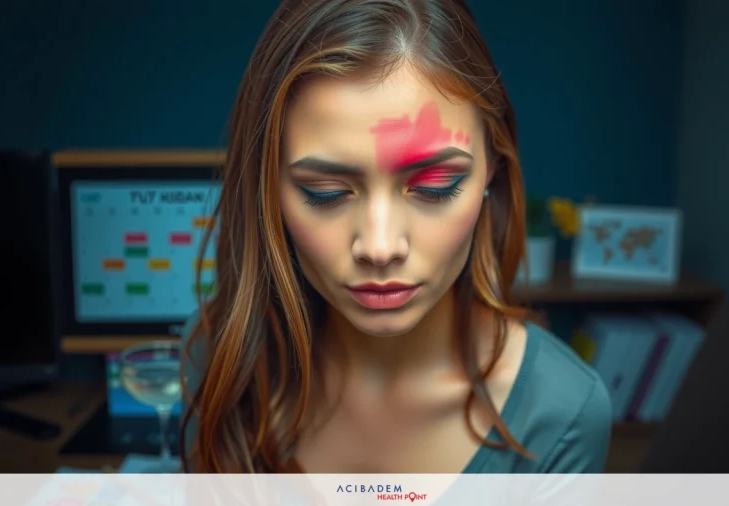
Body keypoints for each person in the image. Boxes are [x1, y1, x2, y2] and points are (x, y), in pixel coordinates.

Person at [180, 0, 612, 474]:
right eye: (324, 193)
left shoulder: (563, 415)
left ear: (493, 170)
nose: (380, 248)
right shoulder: (219, 362)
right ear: (267, 193)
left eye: (433, 188)